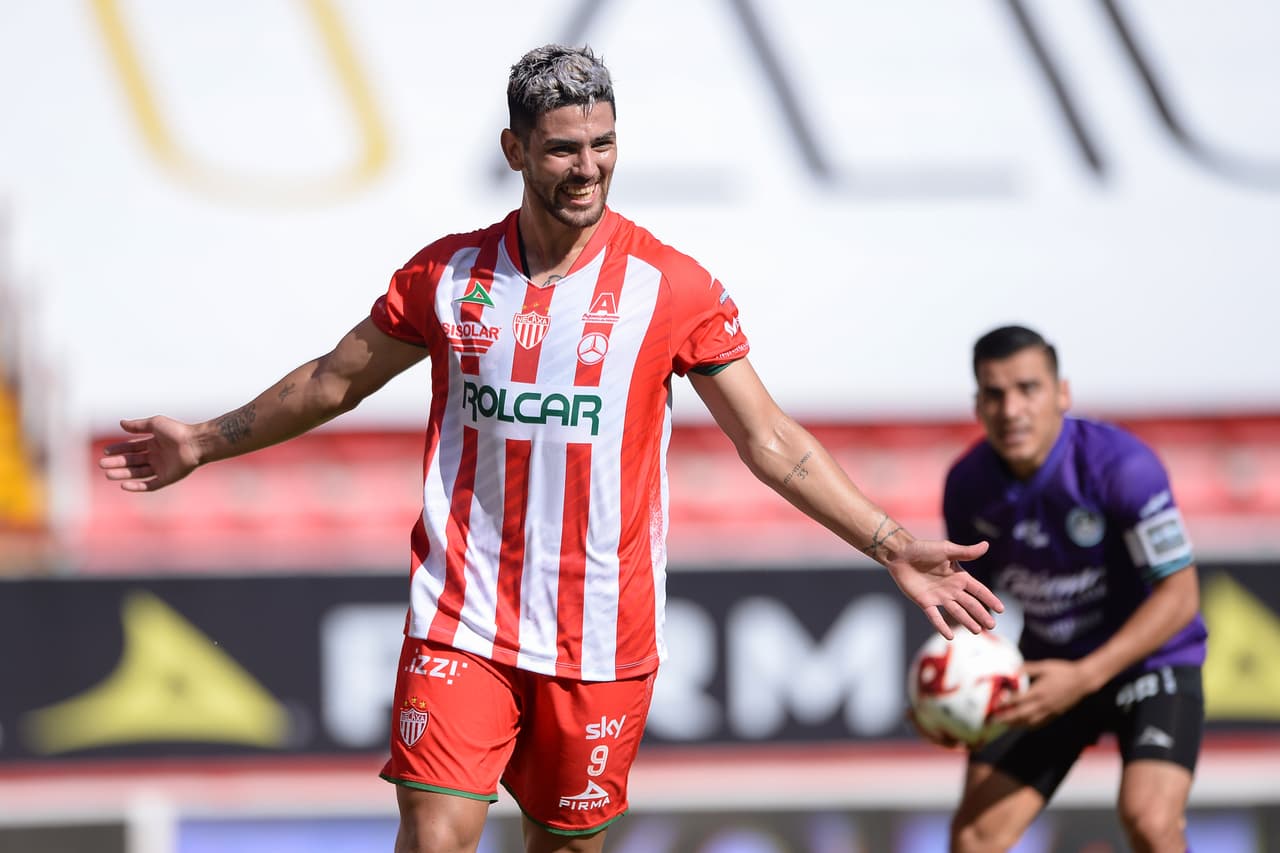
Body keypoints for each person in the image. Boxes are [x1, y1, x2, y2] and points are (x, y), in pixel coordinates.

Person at [99, 44, 1002, 853]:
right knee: (435, 833)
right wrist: (204, 441)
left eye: (603, 143)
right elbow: (336, 380)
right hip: (463, 615)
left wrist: (890, 543)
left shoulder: (671, 287)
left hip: (602, 637)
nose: (588, 168)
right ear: (516, 149)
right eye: (565, 147)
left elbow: (768, 440)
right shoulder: (447, 275)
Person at [931, 325, 1207, 853]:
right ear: (977, 403)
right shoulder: (967, 486)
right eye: (994, 393)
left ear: (1062, 393)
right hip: (1050, 672)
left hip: (1151, 664)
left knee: (1150, 821)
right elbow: (972, 608)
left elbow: (1181, 596)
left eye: (1028, 389)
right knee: (974, 839)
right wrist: (942, 695)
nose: (1011, 409)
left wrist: (1085, 677)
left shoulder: (1123, 467)